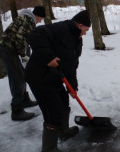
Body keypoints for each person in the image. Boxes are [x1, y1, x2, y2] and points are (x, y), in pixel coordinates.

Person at [25, 10, 91, 152]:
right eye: (86, 30)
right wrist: (48, 57)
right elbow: (34, 35)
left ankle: (63, 131)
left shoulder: (77, 40)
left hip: (54, 76)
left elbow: (72, 65)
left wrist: (73, 86)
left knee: (63, 101)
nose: (85, 33)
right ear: (80, 25)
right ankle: (49, 148)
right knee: (52, 111)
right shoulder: (61, 28)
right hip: (39, 76)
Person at [0, 6, 46, 121]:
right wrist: (23, 54)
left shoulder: (25, 18)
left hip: (7, 48)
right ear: (37, 15)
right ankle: (17, 111)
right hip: (7, 49)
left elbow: (22, 38)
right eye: (41, 18)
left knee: (22, 75)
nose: (40, 21)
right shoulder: (29, 21)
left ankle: (24, 100)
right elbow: (20, 38)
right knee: (17, 78)